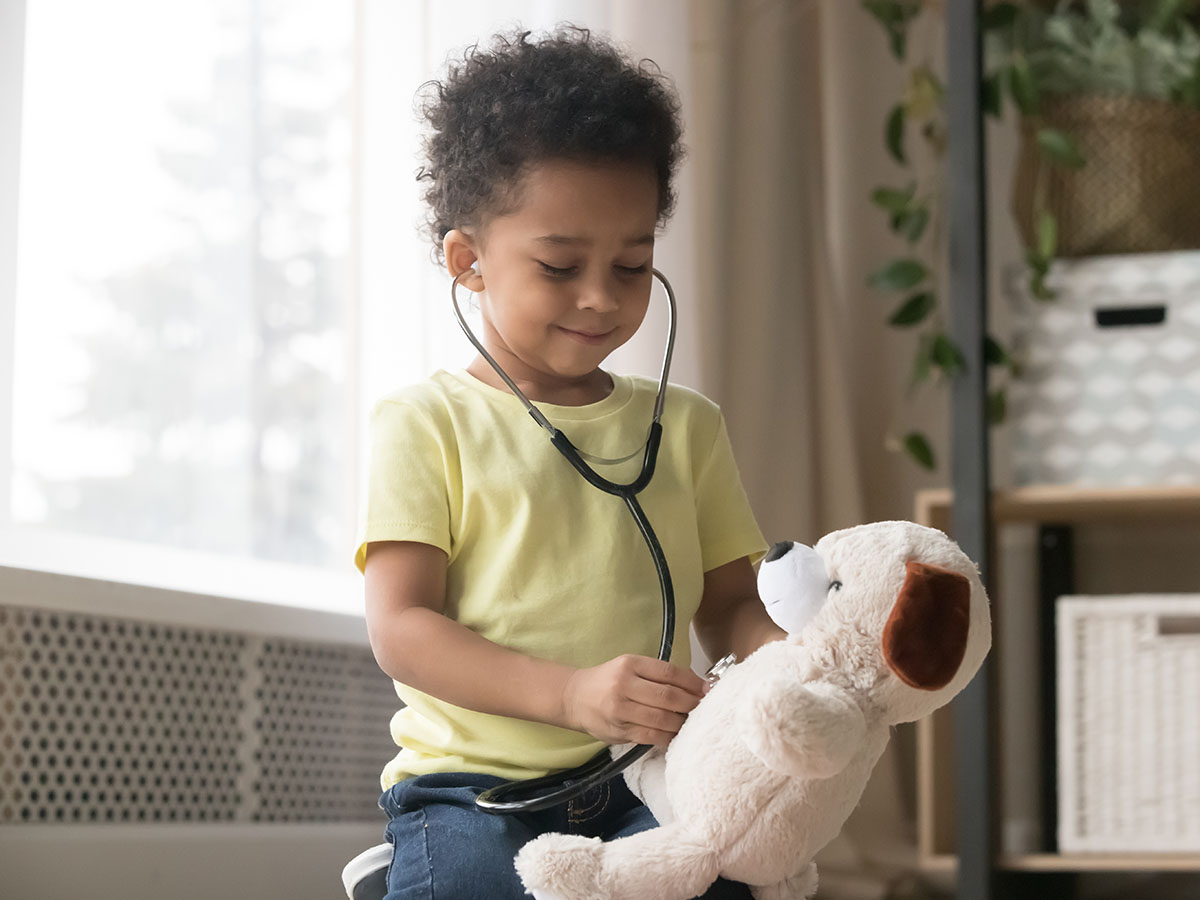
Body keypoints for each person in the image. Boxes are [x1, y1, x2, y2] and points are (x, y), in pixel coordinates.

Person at [356, 26, 787, 900]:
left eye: (632, 264)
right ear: (467, 261)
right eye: (560, 265)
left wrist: (784, 671)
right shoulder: (425, 423)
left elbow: (735, 603)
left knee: (728, 882)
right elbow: (401, 628)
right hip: (473, 792)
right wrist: (569, 695)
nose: (601, 296)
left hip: (648, 778)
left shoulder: (688, 427)